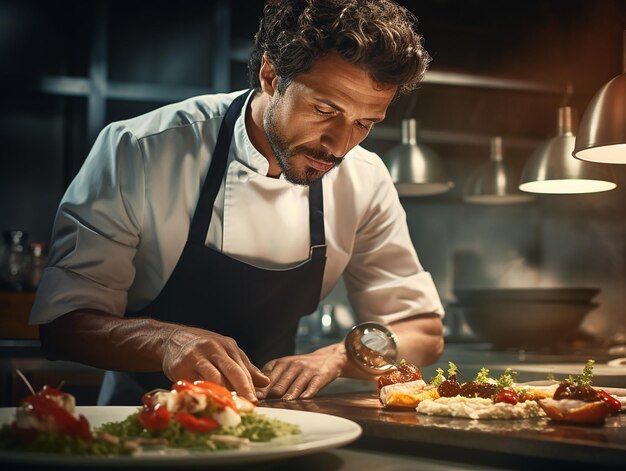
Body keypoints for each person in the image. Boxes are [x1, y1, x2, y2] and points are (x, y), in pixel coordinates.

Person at [30, 0, 445, 406]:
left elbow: (422, 331)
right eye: (324, 110)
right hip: (140, 417)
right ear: (270, 74)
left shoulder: (364, 178)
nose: (340, 146)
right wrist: (167, 340)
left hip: (279, 421)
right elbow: (64, 323)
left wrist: (340, 356)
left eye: (363, 124)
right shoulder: (141, 150)